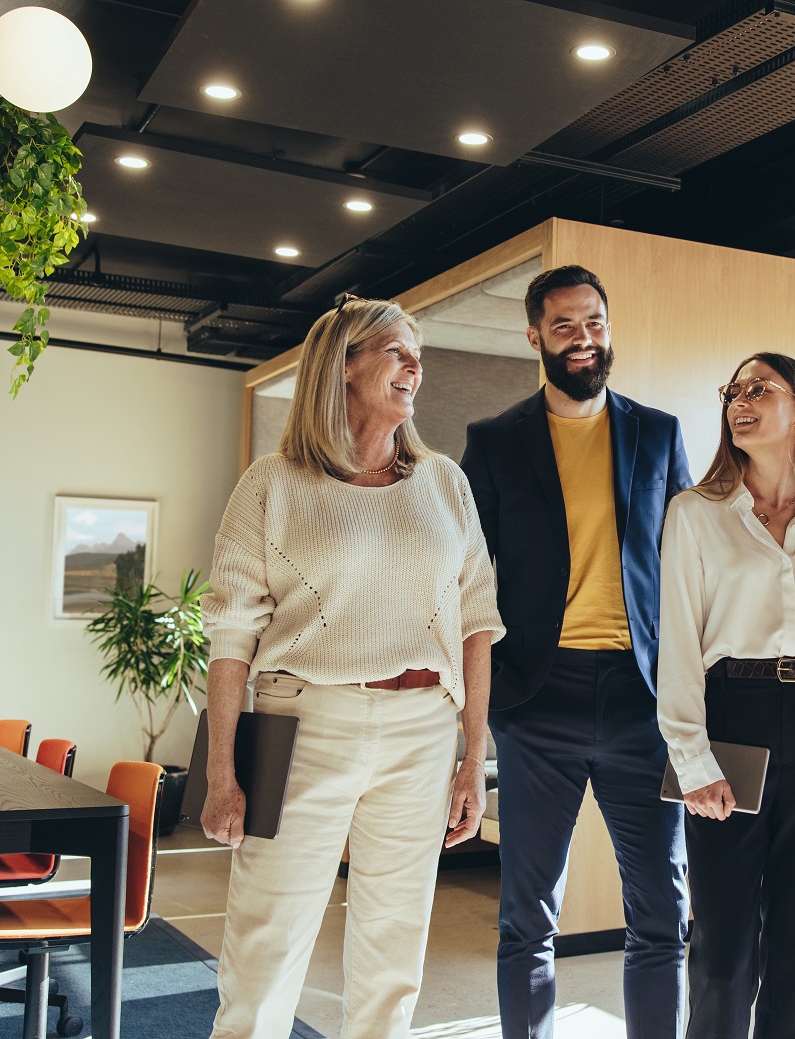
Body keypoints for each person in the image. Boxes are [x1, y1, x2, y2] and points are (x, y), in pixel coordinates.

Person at [200, 298, 504, 1039]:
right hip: (301, 721)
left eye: (418, 354)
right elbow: (231, 635)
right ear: (345, 364)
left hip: (423, 728)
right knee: (266, 940)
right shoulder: (272, 482)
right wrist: (219, 772)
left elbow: (476, 623)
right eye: (397, 351)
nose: (415, 366)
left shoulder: (444, 484)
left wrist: (473, 755)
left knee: (395, 947)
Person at [461, 265, 692, 1039]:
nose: (582, 338)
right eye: (563, 326)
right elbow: (467, 577)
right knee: (527, 917)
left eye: (593, 321)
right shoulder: (493, 444)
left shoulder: (658, 432)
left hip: (642, 699)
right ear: (535, 336)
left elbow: (691, 564)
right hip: (537, 699)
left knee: (662, 909)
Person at [657, 353, 795, 1039]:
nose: (740, 402)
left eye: (760, 389)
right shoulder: (694, 513)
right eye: (733, 392)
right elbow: (679, 645)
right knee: (722, 951)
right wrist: (692, 760)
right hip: (730, 719)